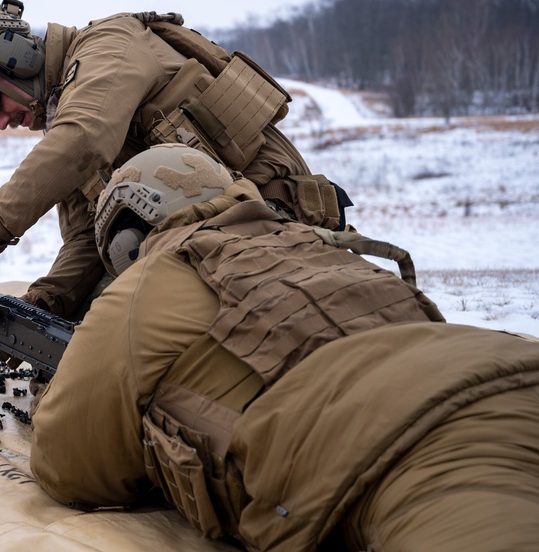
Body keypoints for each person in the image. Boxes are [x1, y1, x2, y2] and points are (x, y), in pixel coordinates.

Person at [29, 144, 539, 551]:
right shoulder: (317, 244)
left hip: (405, 447)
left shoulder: (152, 279)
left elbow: (69, 467)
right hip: (508, 374)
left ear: (126, 241)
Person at [0, 0, 350, 328]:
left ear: (14, 57)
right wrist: (43, 305)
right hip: (213, 241)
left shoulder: (108, 45)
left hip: (275, 224)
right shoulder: (65, 114)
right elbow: (90, 240)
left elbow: (83, 141)